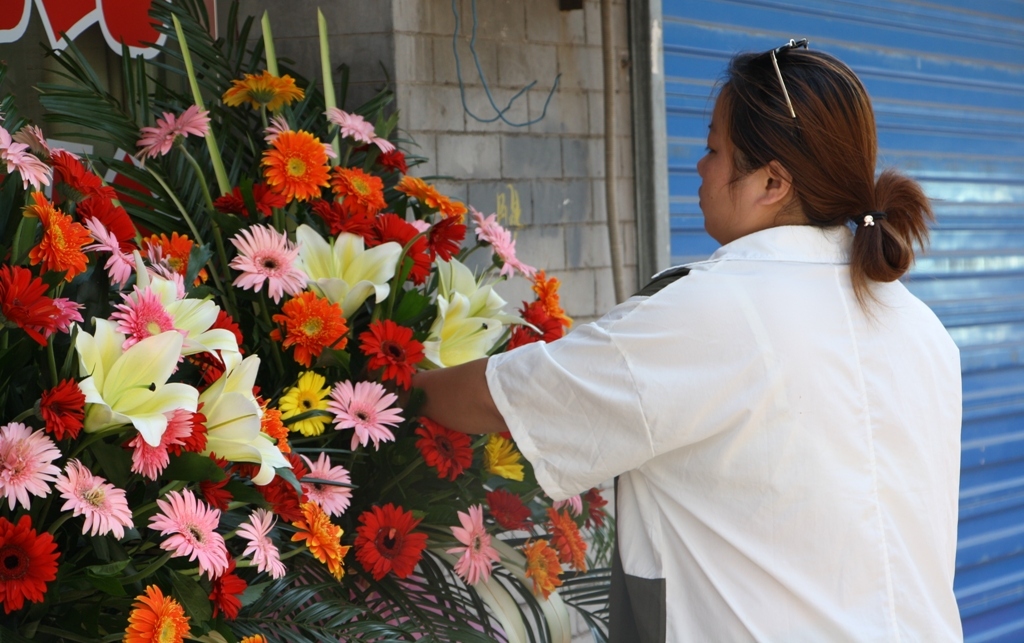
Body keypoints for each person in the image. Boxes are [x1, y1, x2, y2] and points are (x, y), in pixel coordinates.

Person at [412, 41, 963, 642]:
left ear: (772, 182)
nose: (699, 167)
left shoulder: (716, 309)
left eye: (715, 149)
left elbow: (507, 401)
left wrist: (383, 379)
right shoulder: (922, 328)